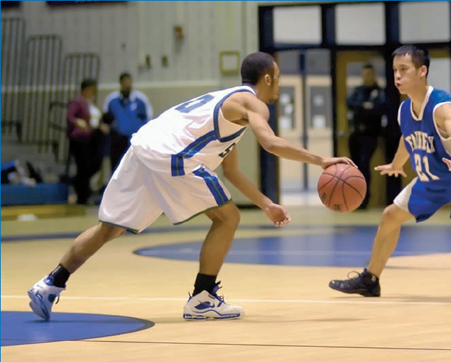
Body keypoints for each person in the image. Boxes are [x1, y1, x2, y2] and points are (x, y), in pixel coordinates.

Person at [28, 52, 354, 321]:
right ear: (267, 78)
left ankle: (50, 283)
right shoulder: (253, 103)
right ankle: (202, 297)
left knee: (110, 228)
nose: (279, 84)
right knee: (228, 218)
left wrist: (266, 204)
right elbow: (270, 143)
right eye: (279, 77)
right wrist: (322, 160)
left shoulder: (228, 106)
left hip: (144, 146)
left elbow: (233, 173)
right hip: (172, 154)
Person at [329, 45, 451, 303]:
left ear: (422, 71)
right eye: (394, 71)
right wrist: (396, 163)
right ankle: (371, 280)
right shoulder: (404, 110)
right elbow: (408, 140)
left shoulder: (442, 106)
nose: (397, 76)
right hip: (435, 177)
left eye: (403, 70)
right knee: (390, 216)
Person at [346, 64, 389, 208]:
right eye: (364, 75)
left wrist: (365, 109)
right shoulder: (359, 91)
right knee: (354, 167)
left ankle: (365, 199)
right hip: (356, 133)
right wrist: (364, 106)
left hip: (371, 134)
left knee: (364, 165)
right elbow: (350, 103)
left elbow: (380, 108)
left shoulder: (379, 92)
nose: (366, 78)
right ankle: (354, 197)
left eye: (368, 75)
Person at [67, 78, 110, 205]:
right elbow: (70, 116)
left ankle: (80, 186)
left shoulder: (91, 103)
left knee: (94, 164)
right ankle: (82, 195)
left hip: (90, 138)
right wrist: (77, 122)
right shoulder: (77, 101)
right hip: (79, 139)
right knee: (83, 167)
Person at [103, 72, 153, 172]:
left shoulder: (140, 99)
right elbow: (105, 119)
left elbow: (148, 118)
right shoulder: (112, 100)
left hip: (135, 140)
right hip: (118, 140)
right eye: (125, 82)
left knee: (136, 169)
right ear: (120, 83)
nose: (127, 84)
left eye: (128, 82)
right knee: (117, 168)